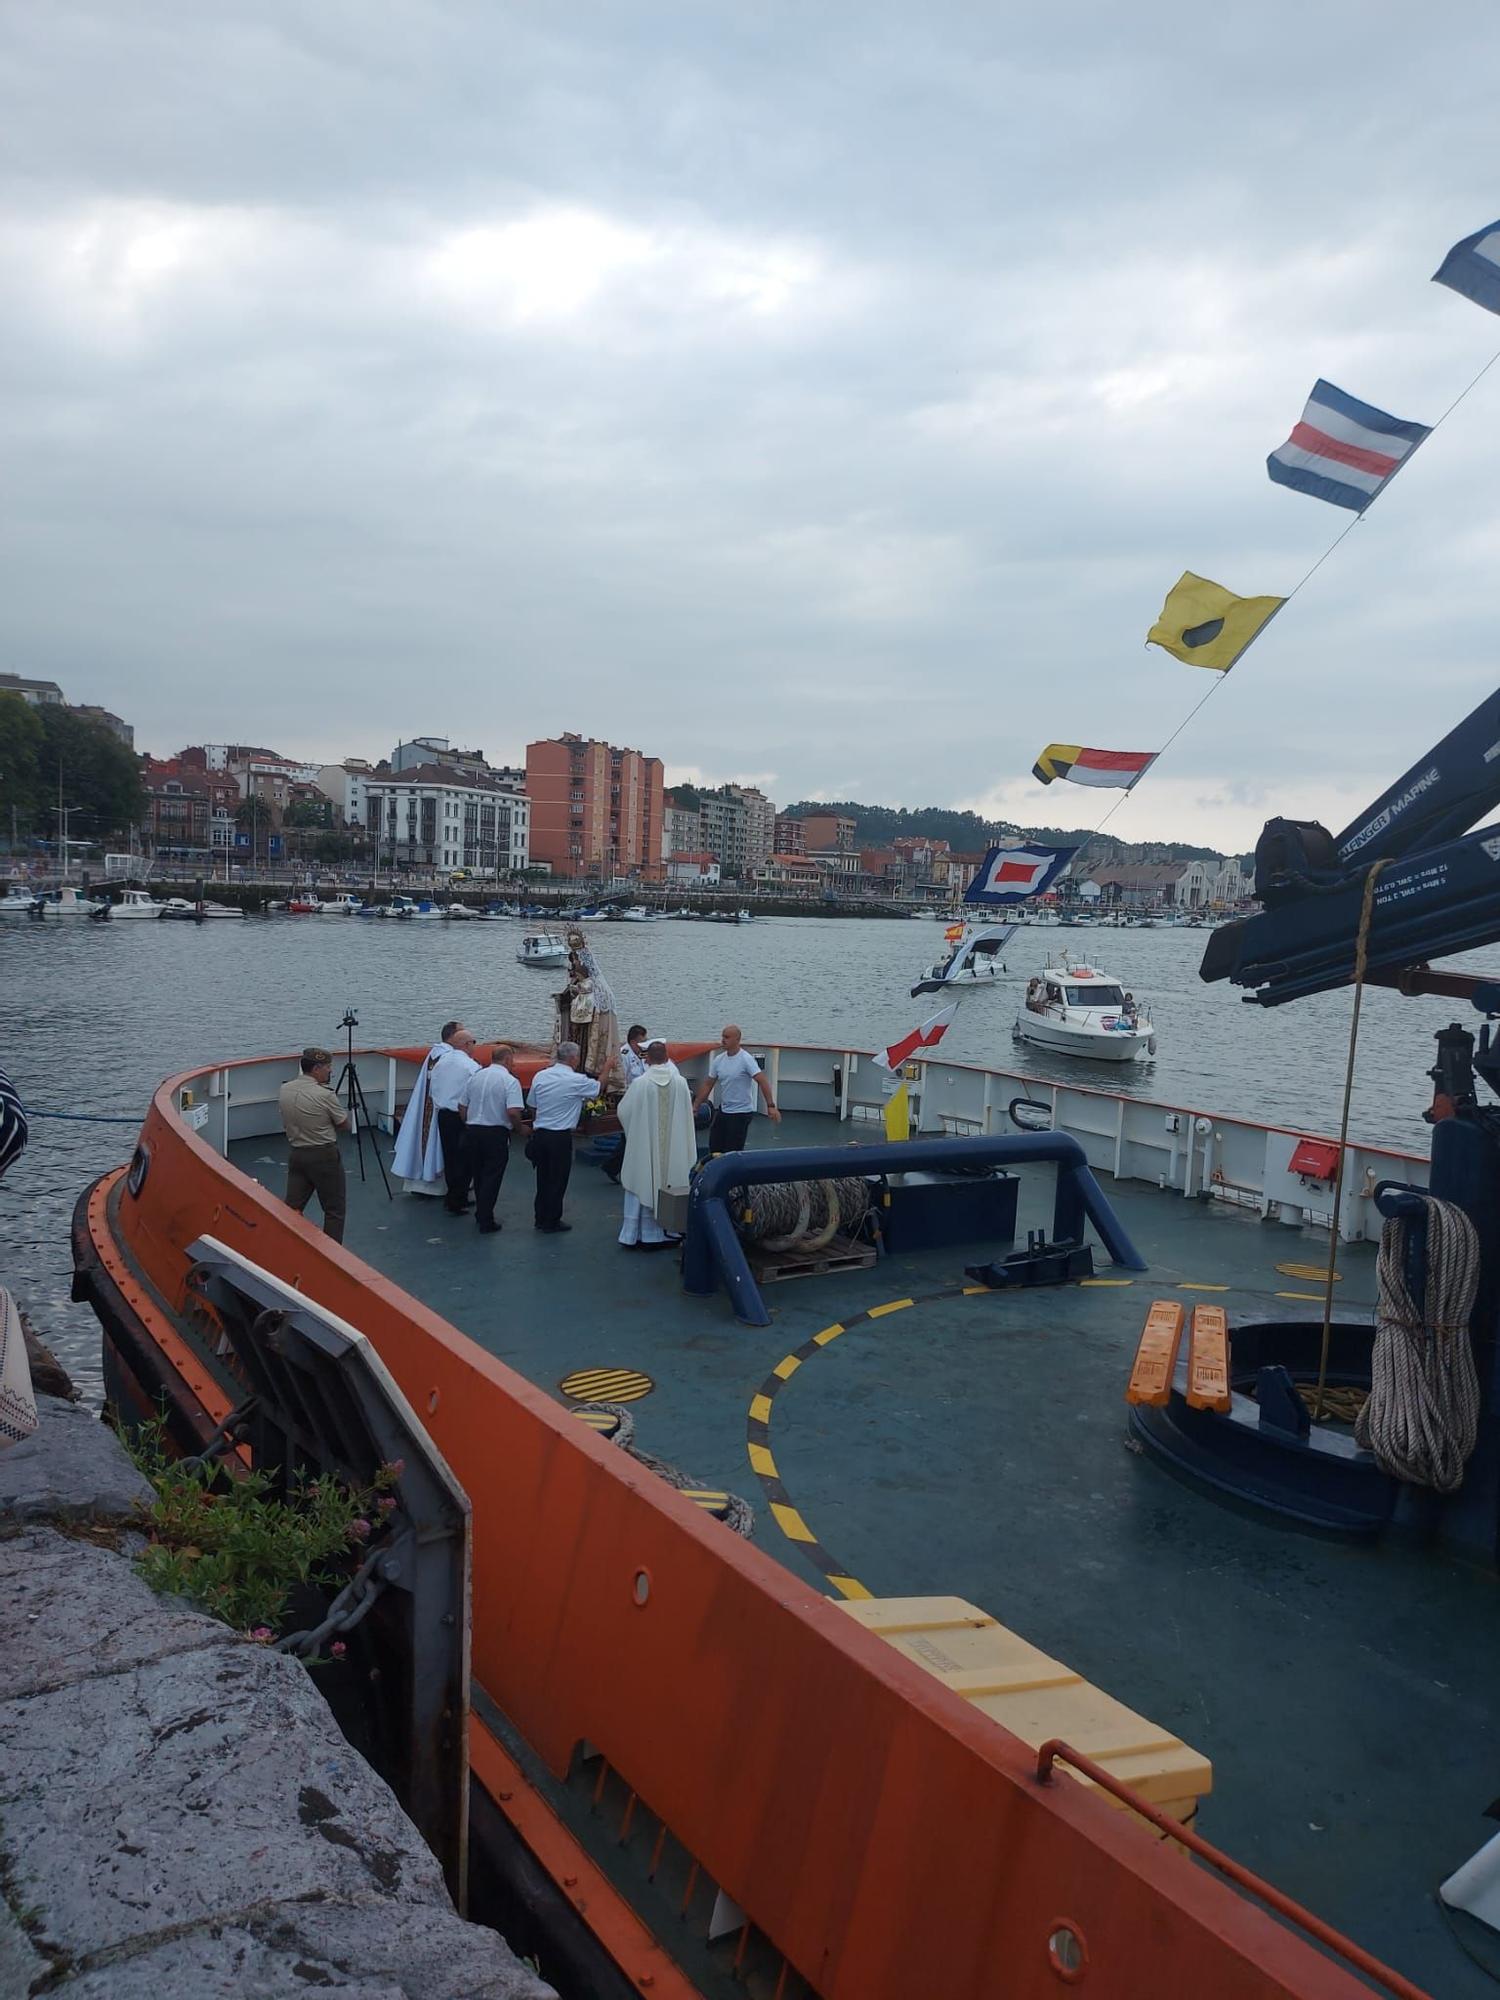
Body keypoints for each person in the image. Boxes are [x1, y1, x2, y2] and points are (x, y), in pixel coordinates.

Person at [616, 1037, 695, 1250]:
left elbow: (624, 1112)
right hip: (674, 1148)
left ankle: (638, 1235)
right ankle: (669, 1231)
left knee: (642, 1176)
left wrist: (639, 1133)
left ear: (648, 1060)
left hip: (645, 1148)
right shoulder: (680, 1082)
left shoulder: (641, 1084)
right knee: (672, 1177)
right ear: (667, 1058)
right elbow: (687, 1115)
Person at [277, 1046, 349, 1241]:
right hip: (323, 1156)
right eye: (327, 1067)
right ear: (316, 1068)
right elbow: (344, 1124)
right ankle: (333, 1257)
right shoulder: (324, 1095)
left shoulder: (285, 1089)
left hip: (297, 1154)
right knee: (334, 1209)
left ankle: (284, 1244)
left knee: (292, 1207)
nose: (330, 1071)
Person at [526, 1040, 597, 1232]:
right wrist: (607, 1068)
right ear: (573, 1058)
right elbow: (598, 1088)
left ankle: (540, 1217)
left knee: (543, 1178)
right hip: (559, 1137)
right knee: (558, 1179)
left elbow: (532, 1104)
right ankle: (551, 1220)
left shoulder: (540, 1076)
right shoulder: (576, 1080)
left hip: (541, 1133)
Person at [393, 1020, 464, 1195]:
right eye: (462, 1033)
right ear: (452, 1037)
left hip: (429, 1104)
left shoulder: (436, 1052)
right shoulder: (448, 1057)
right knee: (440, 1144)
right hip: (440, 1107)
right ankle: (438, 1186)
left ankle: (422, 1183)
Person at [460, 1042, 525, 1234]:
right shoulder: (510, 1081)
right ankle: (485, 1219)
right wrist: (520, 1129)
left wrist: (468, 1123)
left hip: (473, 1130)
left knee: (478, 1174)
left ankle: (481, 1212)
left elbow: (462, 1106)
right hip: (494, 1133)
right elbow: (513, 1111)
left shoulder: (476, 1077)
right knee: (492, 1176)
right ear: (507, 1059)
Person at [692, 1025, 780, 1154]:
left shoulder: (746, 1060)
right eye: (722, 1036)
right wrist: (696, 1106)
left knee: (732, 1150)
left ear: (737, 1039)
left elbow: (762, 1080)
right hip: (724, 1110)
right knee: (715, 1146)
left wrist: (770, 1105)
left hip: (741, 1113)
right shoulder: (719, 1060)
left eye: (726, 1037)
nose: (723, 1040)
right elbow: (708, 1084)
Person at [429, 1029, 480, 1214]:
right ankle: (457, 1200)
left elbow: (432, 1088)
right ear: (466, 1044)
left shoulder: (441, 1062)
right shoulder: (470, 1066)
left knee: (450, 1158)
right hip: (461, 1116)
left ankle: (454, 1196)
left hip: (443, 1114)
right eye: (474, 1042)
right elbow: (476, 1091)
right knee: (465, 1159)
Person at [603, 1025, 651, 1184]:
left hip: (642, 1098)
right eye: (642, 1041)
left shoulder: (643, 1054)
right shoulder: (623, 1055)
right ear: (632, 1041)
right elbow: (621, 1080)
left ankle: (617, 1166)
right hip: (627, 1097)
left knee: (634, 1135)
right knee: (630, 1135)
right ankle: (613, 1166)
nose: (645, 1044)